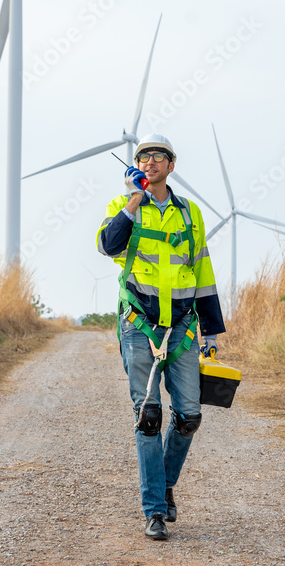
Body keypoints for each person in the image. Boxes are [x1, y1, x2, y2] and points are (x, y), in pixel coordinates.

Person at [96, 132, 225, 540]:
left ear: (171, 165)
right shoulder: (123, 207)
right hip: (139, 323)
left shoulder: (190, 214)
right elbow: (107, 245)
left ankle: (164, 484)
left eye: (158, 157)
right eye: (144, 157)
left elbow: (201, 269)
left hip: (184, 327)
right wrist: (135, 198)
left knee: (189, 416)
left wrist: (211, 330)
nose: (150, 162)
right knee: (149, 415)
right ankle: (154, 509)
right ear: (136, 167)